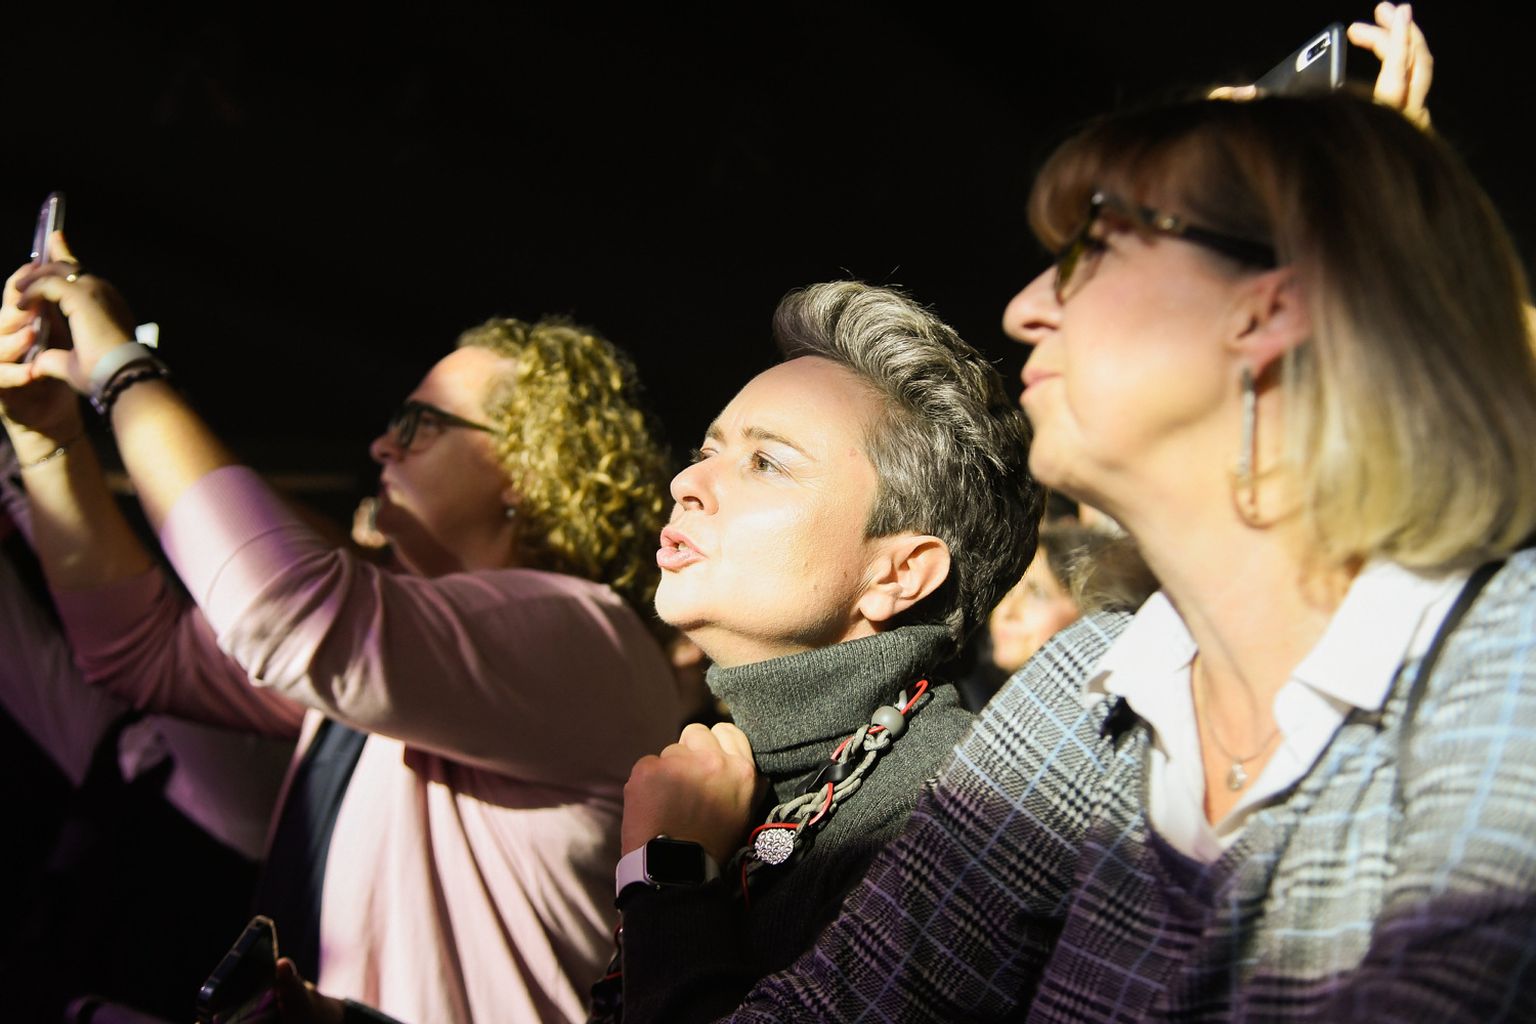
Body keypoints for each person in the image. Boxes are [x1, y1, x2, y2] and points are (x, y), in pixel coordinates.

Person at [609, 7, 1536, 1021]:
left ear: (1273, 308)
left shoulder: (1497, 649)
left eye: (1094, 255)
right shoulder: (1086, 687)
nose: (1025, 309)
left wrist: (1370, 233)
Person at [0, 253, 682, 1024]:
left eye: (421, 425)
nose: (383, 446)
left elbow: (281, 610)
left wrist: (122, 371)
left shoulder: (586, 633)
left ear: (530, 465)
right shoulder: (408, 655)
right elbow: (140, 649)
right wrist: (48, 441)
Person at [600, 280, 1041, 1022]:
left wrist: (669, 874)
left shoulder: (948, 818)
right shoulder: (737, 771)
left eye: (766, 463)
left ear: (898, 574)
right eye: (707, 451)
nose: (686, 483)